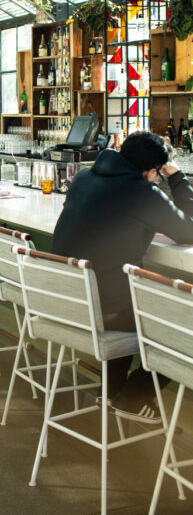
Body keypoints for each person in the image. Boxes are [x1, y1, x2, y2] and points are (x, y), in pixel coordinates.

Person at [51, 131, 193, 422]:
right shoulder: (143, 192)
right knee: (180, 322)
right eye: (158, 175)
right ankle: (133, 396)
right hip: (104, 311)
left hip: (64, 301)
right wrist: (177, 177)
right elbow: (188, 231)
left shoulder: (84, 178)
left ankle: (111, 392)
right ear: (153, 171)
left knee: (120, 288)